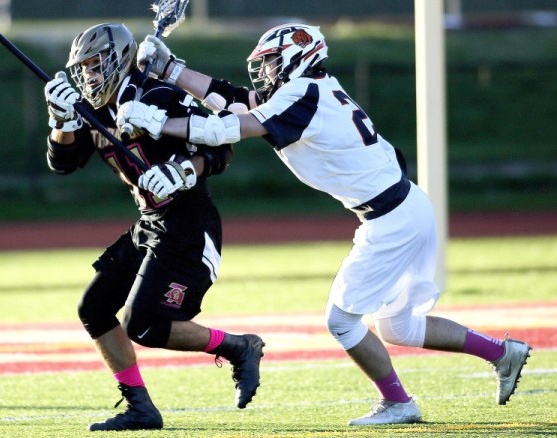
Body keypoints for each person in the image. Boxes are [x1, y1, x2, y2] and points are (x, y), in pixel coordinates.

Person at [116, 23, 532, 426]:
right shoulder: (310, 91)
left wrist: (159, 122)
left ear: (299, 56)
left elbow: (230, 125)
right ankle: (501, 352)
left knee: (342, 321)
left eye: (274, 62)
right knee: (398, 326)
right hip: (404, 207)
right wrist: (173, 71)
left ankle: (398, 402)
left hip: (392, 217)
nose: (266, 72)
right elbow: (236, 100)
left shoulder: (302, 93)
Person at [44, 22, 265, 432]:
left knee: (143, 323)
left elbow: (222, 148)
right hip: (150, 222)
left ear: (120, 59)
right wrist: (61, 119)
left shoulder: (158, 95)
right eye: (84, 68)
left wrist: (183, 169)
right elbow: (63, 163)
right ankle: (140, 408)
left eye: (96, 65)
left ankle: (238, 347)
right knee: (93, 308)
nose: (90, 76)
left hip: (188, 221)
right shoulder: (94, 111)